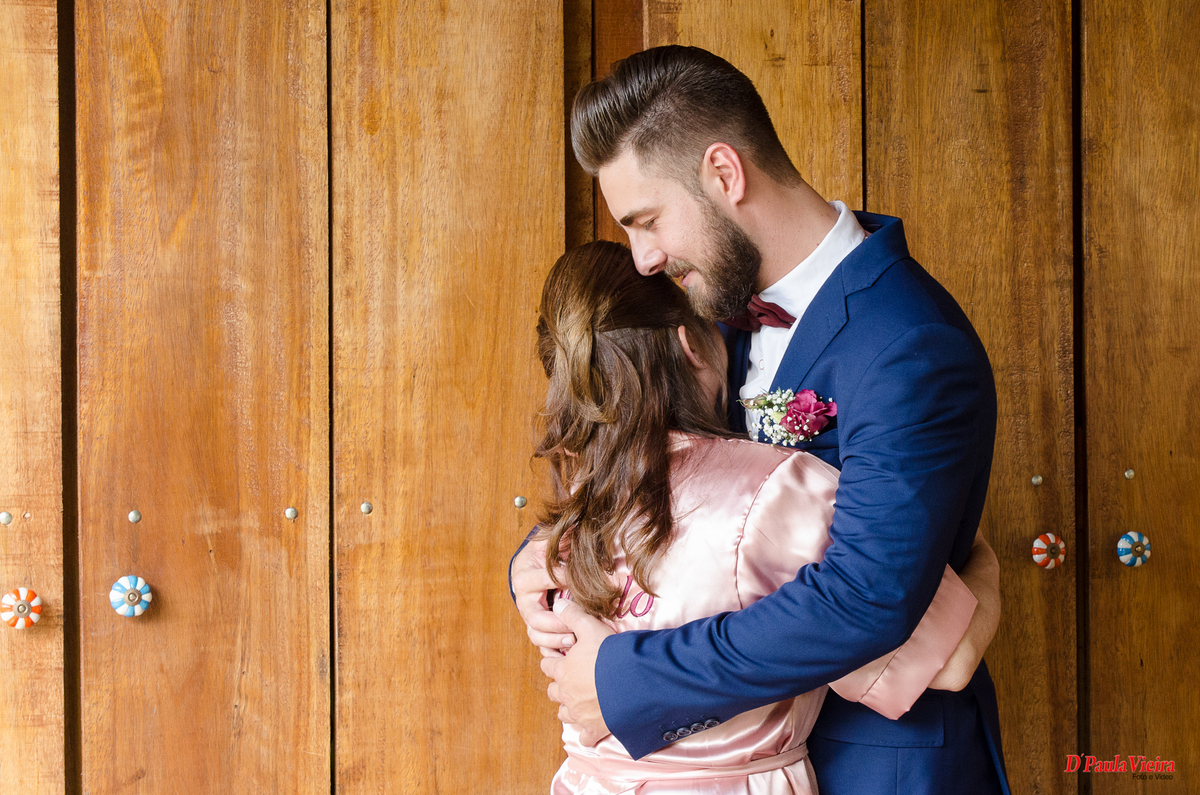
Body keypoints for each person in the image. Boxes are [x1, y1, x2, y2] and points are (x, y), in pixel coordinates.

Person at [511, 45, 1010, 795]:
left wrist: (624, 680)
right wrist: (539, 564)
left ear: (723, 173)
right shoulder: (710, 320)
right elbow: (643, 473)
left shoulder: (911, 345)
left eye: (647, 220)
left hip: (873, 759)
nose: (643, 259)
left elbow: (864, 598)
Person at [530, 240, 997, 793]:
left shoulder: (574, 514)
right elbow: (950, 658)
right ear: (690, 344)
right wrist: (985, 557)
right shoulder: (775, 492)